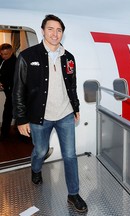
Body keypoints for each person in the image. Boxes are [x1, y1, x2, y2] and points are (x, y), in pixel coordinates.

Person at [12, 14, 87, 213]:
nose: (55, 34)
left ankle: (73, 194)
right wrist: (21, 118)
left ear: (62, 33)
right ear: (43, 30)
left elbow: (72, 85)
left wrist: (76, 107)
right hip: (39, 117)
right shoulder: (27, 56)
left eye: (59, 30)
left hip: (65, 115)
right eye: (51, 29)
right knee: (40, 151)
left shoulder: (69, 57)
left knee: (70, 155)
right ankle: (35, 170)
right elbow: (18, 90)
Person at [0, 43, 17, 139]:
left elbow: (13, 79)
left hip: (14, 92)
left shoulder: (15, 62)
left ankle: (5, 134)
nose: (3, 56)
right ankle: (6, 133)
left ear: (11, 52)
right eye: (2, 54)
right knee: (9, 112)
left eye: (6, 54)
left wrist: (3, 85)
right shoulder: (2, 59)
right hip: (8, 90)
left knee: (8, 113)